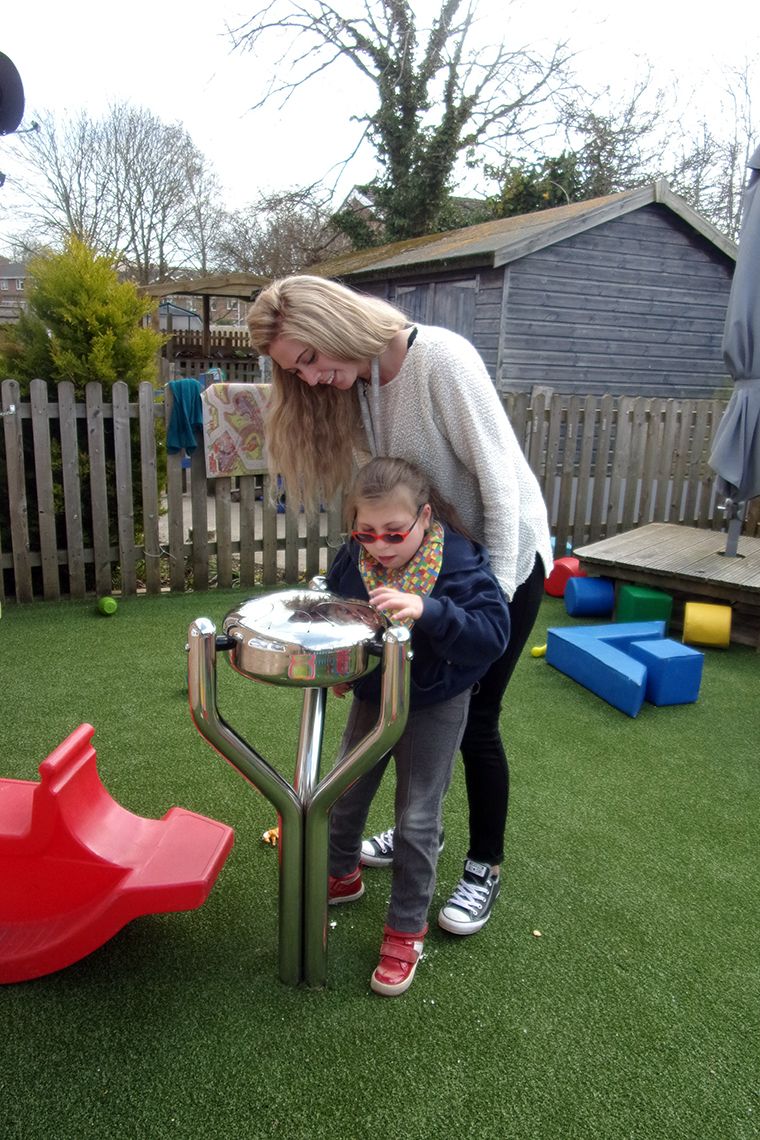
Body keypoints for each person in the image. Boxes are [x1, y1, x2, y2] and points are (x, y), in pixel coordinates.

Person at [247, 274, 553, 936]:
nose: (311, 378)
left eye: (307, 358)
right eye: (294, 372)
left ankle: (483, 868)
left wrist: (488, 610)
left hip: (500, 561)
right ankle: (401, 835)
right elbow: (387, 499)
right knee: (394, 702)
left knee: (473, 718)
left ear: (331, 326)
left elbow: (500, 488)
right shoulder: (359, 390)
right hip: (430, 564)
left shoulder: (441, 359)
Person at [325, 457, 510, 995]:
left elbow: (491, 634)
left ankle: (406, 929)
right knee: (344, 788)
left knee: (416, 817)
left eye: (393, 533)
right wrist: (343, 666)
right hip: (373, 690)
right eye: (366, 533)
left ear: (425, 518)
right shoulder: (353, 558)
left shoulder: (457, 561)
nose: (380, 547)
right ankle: (343, 873)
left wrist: (427, 610)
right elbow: (341, 610)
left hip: (436, 698)